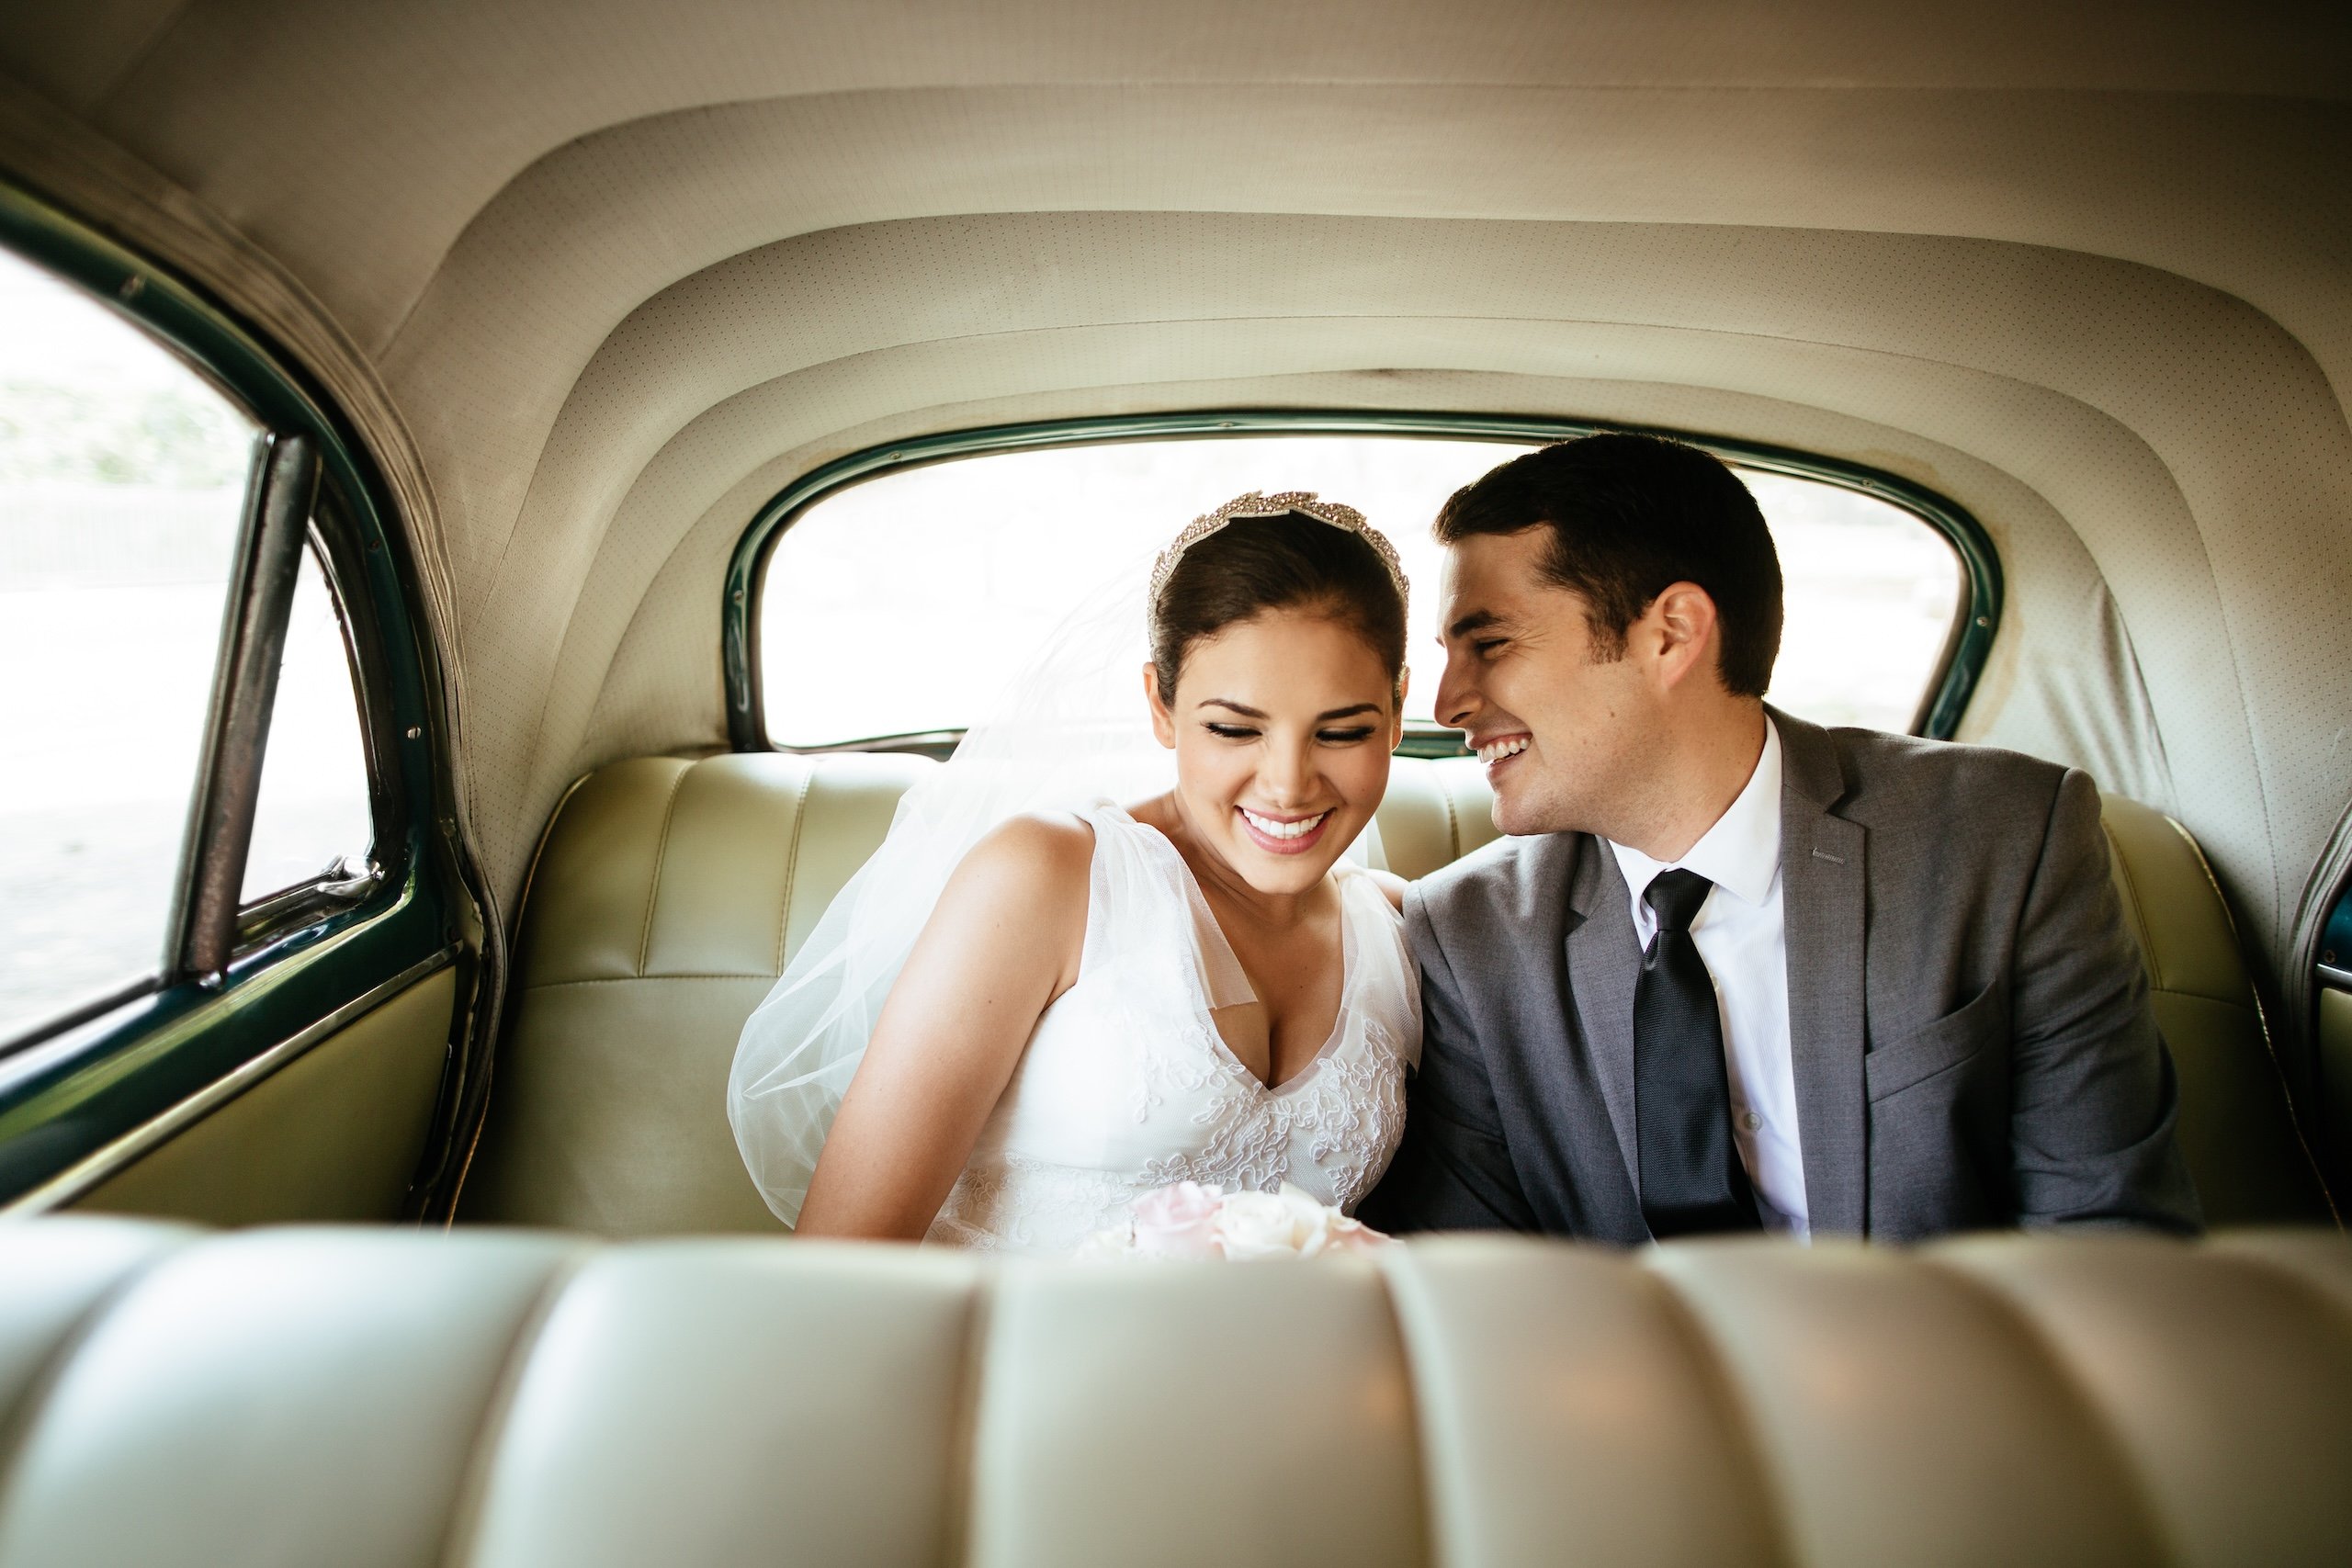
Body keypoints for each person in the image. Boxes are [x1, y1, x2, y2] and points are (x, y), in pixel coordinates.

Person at [1359, 434, 2199, 1243]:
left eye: (1491, 643)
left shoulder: (2003, 840)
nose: (1452, 699)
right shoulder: (1467, 934)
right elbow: (1475, 1283)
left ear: (1672, 634)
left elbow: (2104, 1239)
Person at [729, 493, 1420, 1253]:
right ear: (1160, 704)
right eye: (1232, 728)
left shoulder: (1399, 931)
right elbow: (841, 1257)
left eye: (1343, 730)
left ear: (1396, 708)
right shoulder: (1048, 878)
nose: (1288, 784)